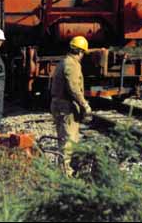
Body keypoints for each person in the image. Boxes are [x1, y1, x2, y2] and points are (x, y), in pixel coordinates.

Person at [50, 35, 92, 177]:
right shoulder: (72, 64)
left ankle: (66, 170)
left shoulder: (64, 62)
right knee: (68, 141)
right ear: (80, 52)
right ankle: (65, 174)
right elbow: (73, 88)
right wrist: (84, 104)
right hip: (66, 107)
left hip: (61, 105)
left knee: (67, 139)